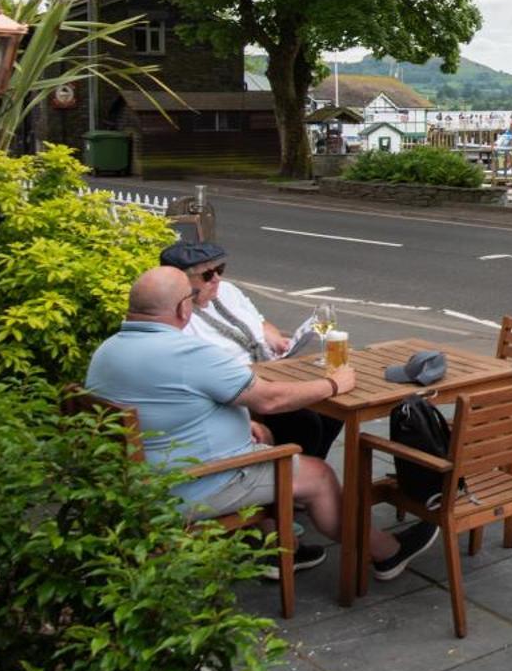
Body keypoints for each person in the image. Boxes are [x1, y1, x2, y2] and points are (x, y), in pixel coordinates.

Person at [86, 267, 438, 578]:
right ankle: (386, 553)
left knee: (265, 434)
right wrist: (335, 384)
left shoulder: (106, 352)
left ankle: (277, 548)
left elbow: (170, 405)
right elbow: (270, 398)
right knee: (319, 475)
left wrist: (241, 424)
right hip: (191, 485)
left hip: (136, 480)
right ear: (182, 308)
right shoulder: (188, 354)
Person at [164, 241, 343, 462]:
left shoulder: (227, 291)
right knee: (305, 421)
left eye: (219, 270)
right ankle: (295, 478)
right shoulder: (179, 317)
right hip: (238, 388)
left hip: (273, 370)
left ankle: (310, 469)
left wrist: (276, 339)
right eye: (207, 275)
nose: (217, 279)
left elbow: (260, 322)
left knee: (335, 411)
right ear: (181, 282)